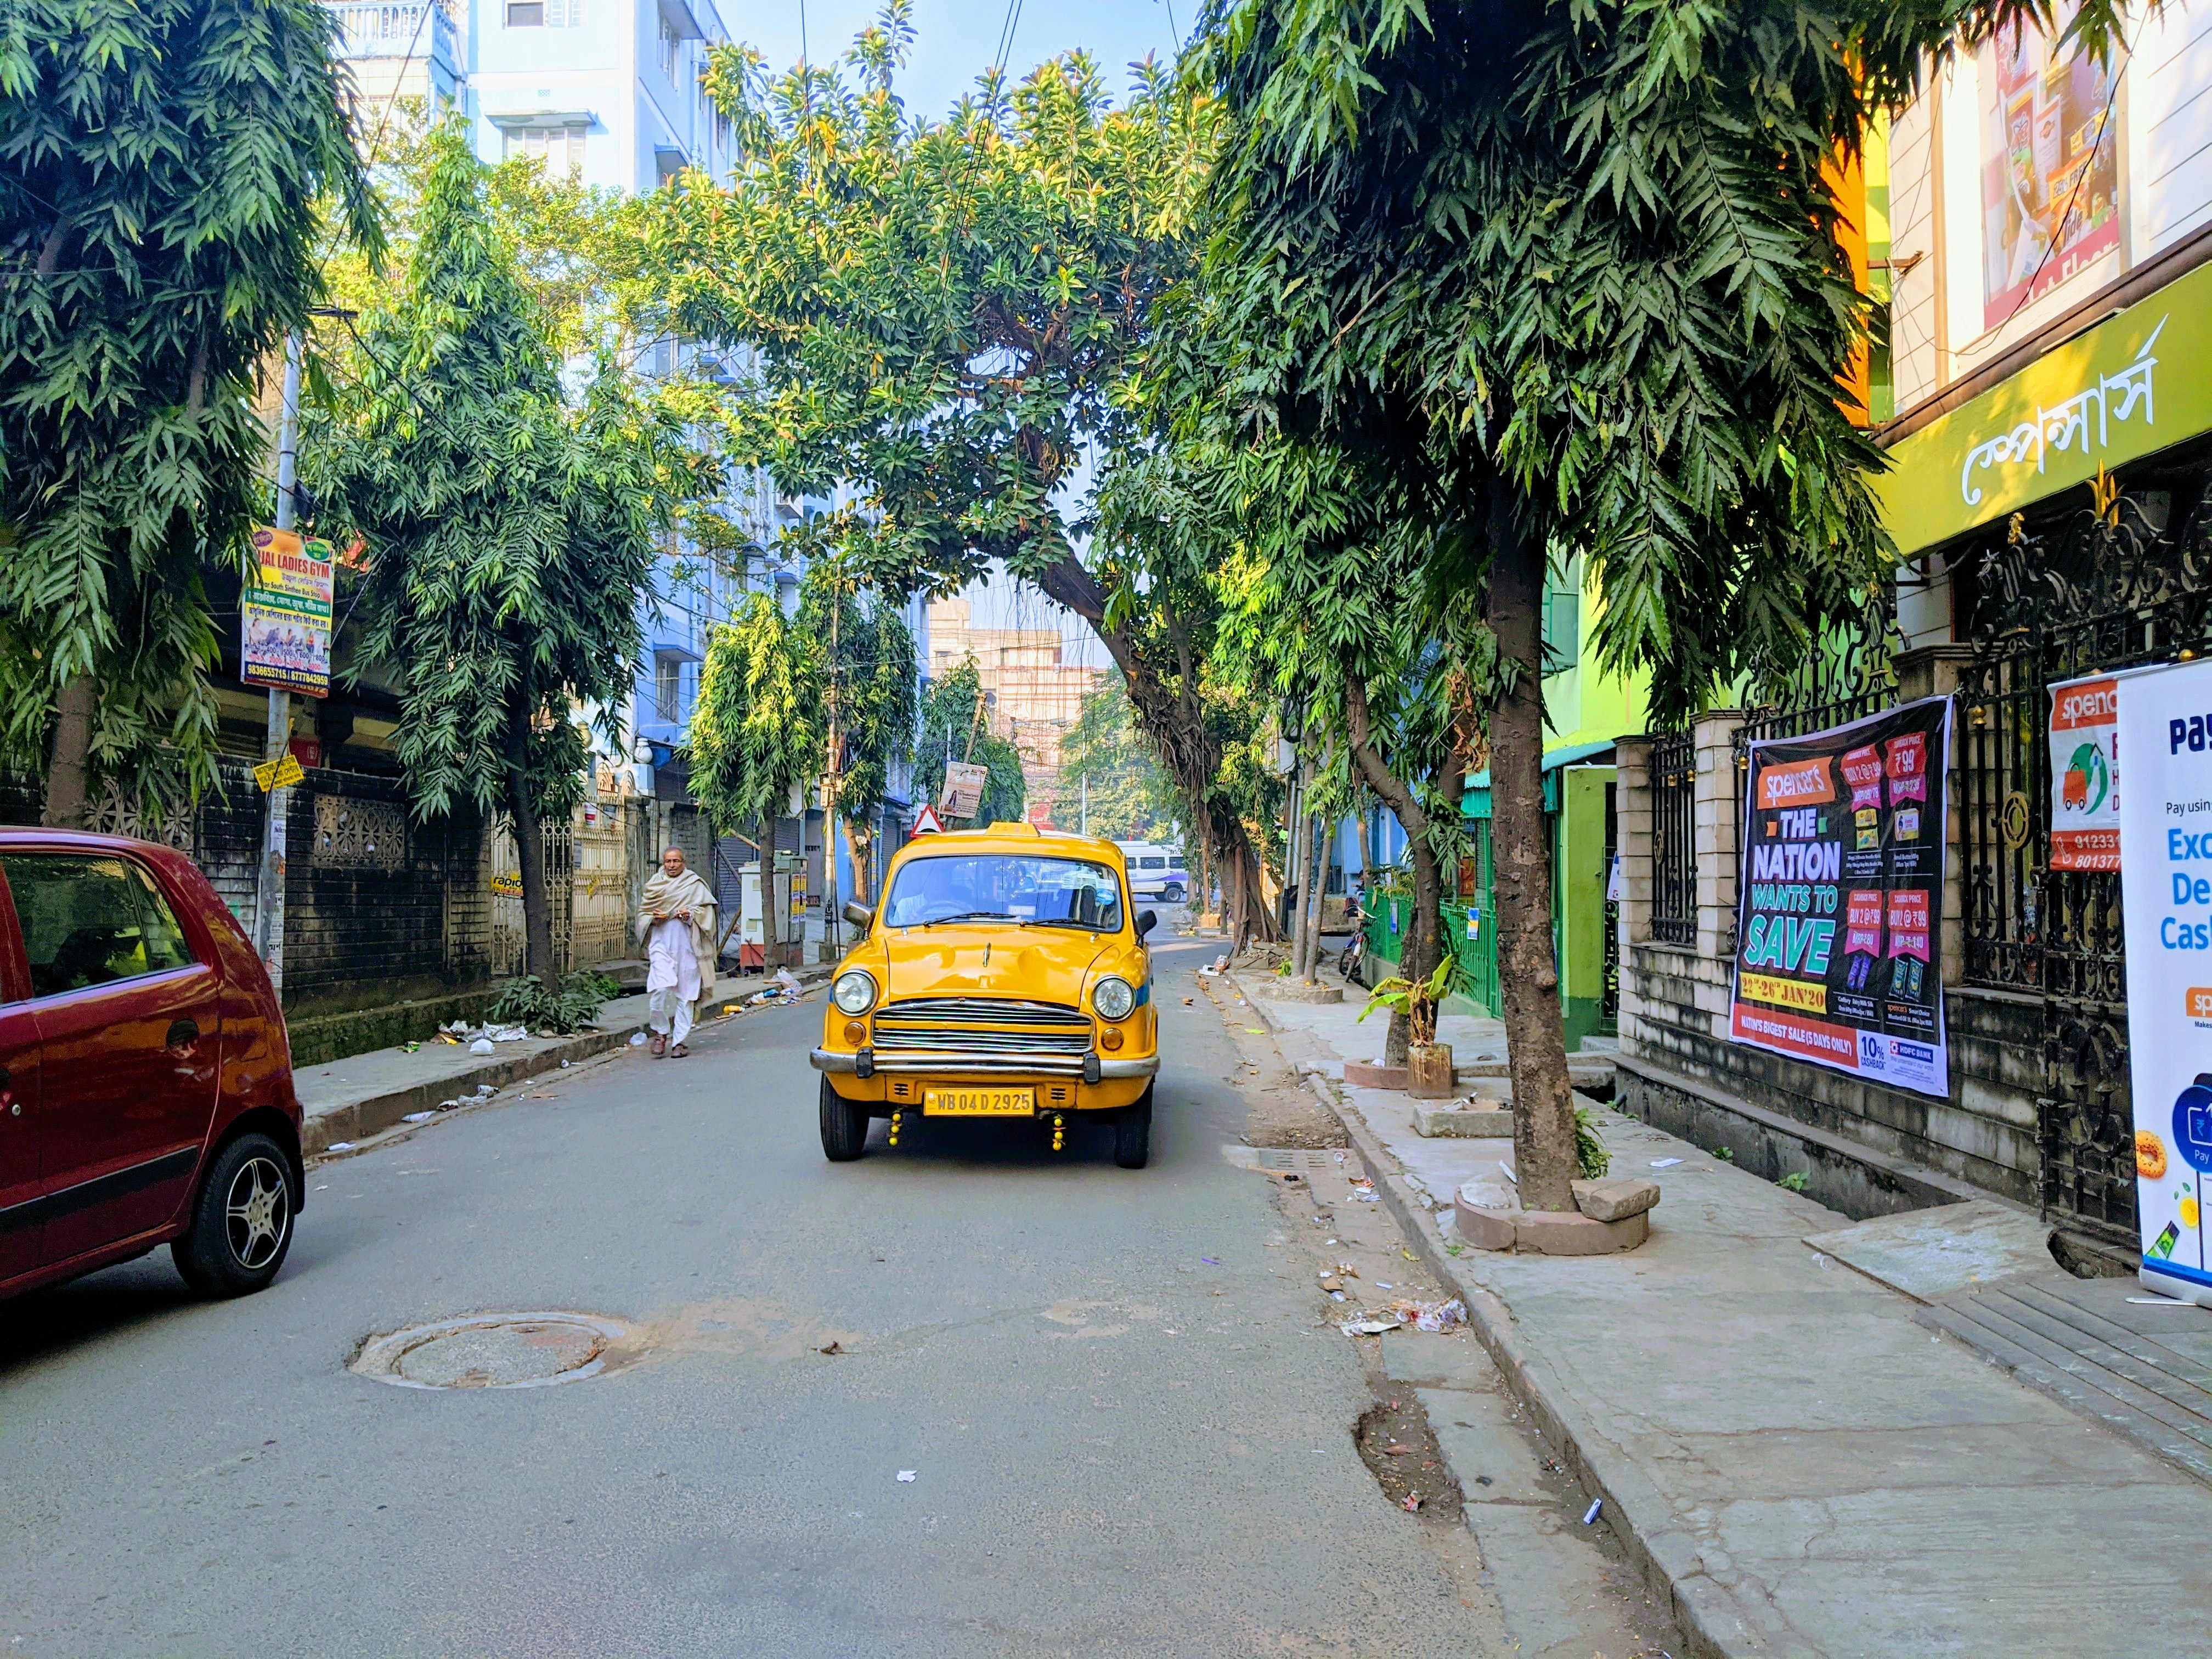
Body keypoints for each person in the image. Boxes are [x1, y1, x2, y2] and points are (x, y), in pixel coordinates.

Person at [636, 846, 717, 1057]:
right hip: (660, 945)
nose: (672, 865)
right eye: (668, 862)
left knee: (686, 995)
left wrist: (689, 915)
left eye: (676, 861)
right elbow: (643, 915)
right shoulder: (654, 884)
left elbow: (707, 914)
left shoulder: (694, 884)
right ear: (663, 863)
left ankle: (679, 1041)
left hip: (688, 946)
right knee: (659, 989)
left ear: (684, 862)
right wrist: (653, 919)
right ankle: (661, 1032)